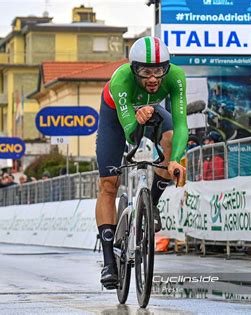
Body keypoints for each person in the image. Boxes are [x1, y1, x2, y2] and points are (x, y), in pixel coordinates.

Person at [95, 36, 188, 289]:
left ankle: (151, 207)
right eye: (145, 71)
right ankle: (108, 261)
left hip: (150, 111)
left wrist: (175, 161)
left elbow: (181, 124)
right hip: (118, 117)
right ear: (133, 68)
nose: (153, 78)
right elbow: (130, 134)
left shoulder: (176, 76)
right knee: (108, 184)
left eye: (159, 70)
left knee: (169, 141)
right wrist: (137, 120)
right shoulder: (121, 79)